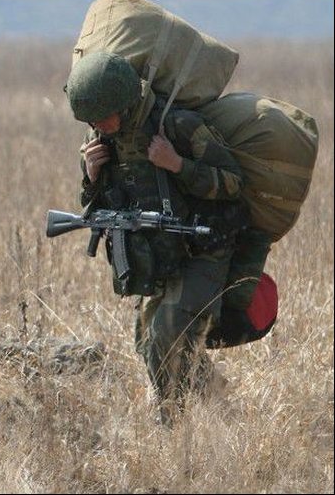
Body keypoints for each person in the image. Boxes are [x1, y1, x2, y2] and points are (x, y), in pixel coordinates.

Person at [64, 51, 250, 426]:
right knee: (148, 341)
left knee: (167, 331)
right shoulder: (101, 139)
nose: (96, 124)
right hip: (157, 253)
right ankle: (224, 410)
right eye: (90, 119)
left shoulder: (178, 126)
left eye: (101, 115)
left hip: (204, 247)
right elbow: (95, 205)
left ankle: (169, 424)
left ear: (124, 103)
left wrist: (177, 165)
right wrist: (91, 176)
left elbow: (233, 183)